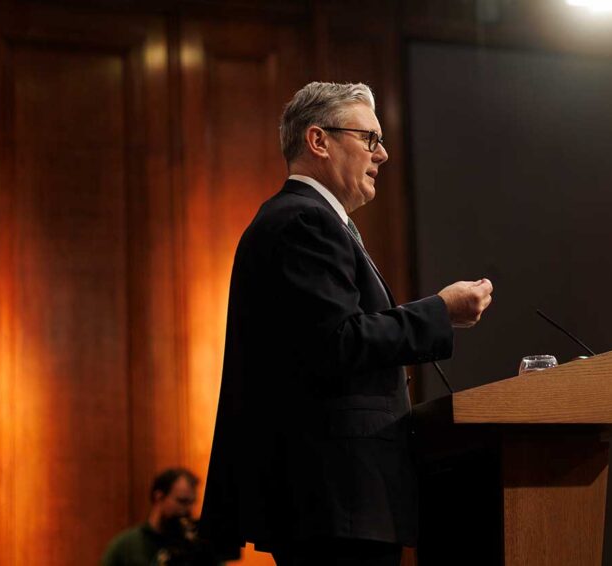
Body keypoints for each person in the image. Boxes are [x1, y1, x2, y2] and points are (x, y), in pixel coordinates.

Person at [197, 82, 493, 566]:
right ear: (319, 141)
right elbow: (338, 341)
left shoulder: (309, 221)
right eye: (370, 139)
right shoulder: (303, 221)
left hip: (338, 499)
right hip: (337, 496)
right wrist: (440, 311)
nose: (384, 155)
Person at [101, 467, 221, 566]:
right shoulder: (126, 546)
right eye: (182, 501)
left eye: (191, 503)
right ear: (159, 497)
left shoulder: (196, 547)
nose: (188, 510)